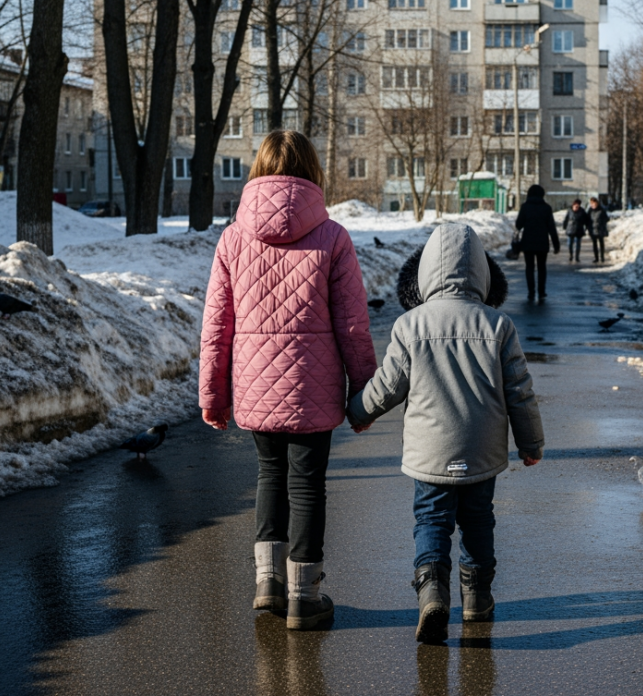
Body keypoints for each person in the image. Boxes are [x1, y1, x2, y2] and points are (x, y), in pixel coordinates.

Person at [199, 130, 377, 631]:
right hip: (313, 392)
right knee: (308, 486)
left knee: (269, 477)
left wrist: (213, 395)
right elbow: (353, 326)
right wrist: (364, 398)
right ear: (312, 170)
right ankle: (304, 597)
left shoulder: (233, 238)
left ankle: (267, 585)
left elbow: (217, 326)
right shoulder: (334, 237)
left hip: (255, 389)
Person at [346, 223, 546, 644]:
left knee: (432, 519)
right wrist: (531, 444)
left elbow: (388, 386)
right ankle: (476, 599)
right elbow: (520, 391)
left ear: (425, 274)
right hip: (482, 450)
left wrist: (358, 412)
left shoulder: (410, 325)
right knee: (478, 521)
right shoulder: (498, 325)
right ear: (482, 274)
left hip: (430, 452)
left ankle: (432, 592)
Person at [513, 184, 560, 303]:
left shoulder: (525, 207)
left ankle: (531, 292)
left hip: (527, 243)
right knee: (541, 268)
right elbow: (551, 228)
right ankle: (541, 292)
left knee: (529, 268)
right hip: (542, 243)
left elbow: (518, 225)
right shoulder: (547, 208)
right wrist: (556, 244)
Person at [561, 198, 592, 263]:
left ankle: (577, 257)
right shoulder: (570, 211)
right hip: (570, 229)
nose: (576, 207)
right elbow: (566, 219)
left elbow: (586, 220)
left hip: (579, 229)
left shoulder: (582, 211)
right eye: (575, 205)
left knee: (578, 244)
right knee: (570, 244)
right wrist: (564, 226)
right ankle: (571, 255)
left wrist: (586, 226)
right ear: (573, 205)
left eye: (578, 206)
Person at [588, 197, 610, 263]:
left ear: (597, 203)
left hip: (600, 229)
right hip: (593, 229)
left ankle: (602, 257)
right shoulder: (590, 210)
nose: (593, 205)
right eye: (592, 204)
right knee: (594, 244)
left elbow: (606, 218)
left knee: (601, 244)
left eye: (594, 204)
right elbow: (587, 219)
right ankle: (596, 258)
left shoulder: (601, 210)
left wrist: (601, 223)